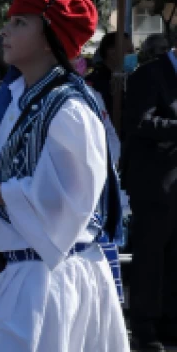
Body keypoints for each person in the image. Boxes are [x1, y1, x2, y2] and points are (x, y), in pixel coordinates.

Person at [0, 0, 126, 351]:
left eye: (20, 22)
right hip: (19, 276)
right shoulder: (9, 102)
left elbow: (64, 205)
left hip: (54, 280)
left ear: (51, 39)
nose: (5, 30)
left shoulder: (70, 109)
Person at [122, 32, 177, 349]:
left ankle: (170, 322)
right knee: (150, 258)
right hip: (154, 183)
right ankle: (144, 328)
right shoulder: (149, 74)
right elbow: (140, 122)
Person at [87, 31, 133, 124]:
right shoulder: (94, 82)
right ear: (111, 52)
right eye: (129, 51)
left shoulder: (130, 79)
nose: (133, 55)